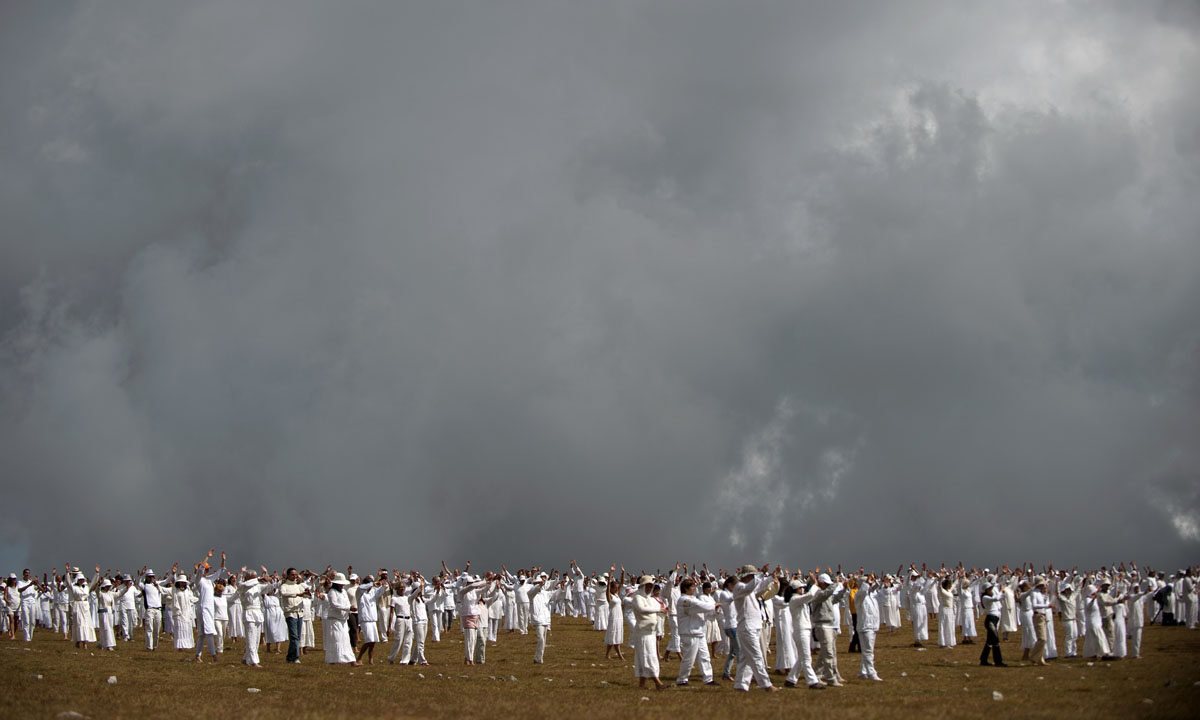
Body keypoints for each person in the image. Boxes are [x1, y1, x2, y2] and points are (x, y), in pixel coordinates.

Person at [731, 564, 779, 692]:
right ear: (747, 576)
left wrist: (771, 577)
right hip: (747, 627)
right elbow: (751, 587)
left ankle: (740, 685)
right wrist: (761, 573)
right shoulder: (739, 587)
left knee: (745, 659)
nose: (754, 578)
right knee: (757, 657)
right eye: (752, 576)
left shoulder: (749, 588)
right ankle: (766, 684)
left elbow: (760, 586)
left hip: (753, 626)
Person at [784, 572, 825, 689]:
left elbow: (811, 596)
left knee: (802, 658)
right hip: (801, 631)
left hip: (804, 630)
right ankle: (812, 682)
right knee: (806, 658)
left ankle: (791, 680)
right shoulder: (794, 599)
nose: (802, 589)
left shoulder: (799, 599)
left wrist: (815, 586)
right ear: (796, 589)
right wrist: (814, 584)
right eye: (801, 588)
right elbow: (810, 595)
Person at [631, 574, 668, 690]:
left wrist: (664, 609)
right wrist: (659, 609)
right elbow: (642, 609)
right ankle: (658, 682)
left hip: (651, 633)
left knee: (647, 657)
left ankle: (642, 684)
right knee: (647, 657)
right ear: (642, 586)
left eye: (650, 587)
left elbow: (660, 605)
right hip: (643, 633)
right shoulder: (637, 598)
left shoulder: (650, 599)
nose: (648, 589)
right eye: (647, 586)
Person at [811, 571, 847, 687]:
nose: (827, 586)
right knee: (828, 653)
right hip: (822, 625)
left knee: (825, 653)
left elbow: (835, 599)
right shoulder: (817, 593)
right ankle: (830, 678)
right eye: (826, 584)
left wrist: (843, 590)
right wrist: (836, 583)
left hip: (829, 625)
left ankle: (816, 674)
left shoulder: (826, 593)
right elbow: (826, 594)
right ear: (821, 583)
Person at [321, 571, 360, 665]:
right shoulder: (332, 592)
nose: (342, 586)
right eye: (340, 584)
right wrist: (348, 608)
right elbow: (334, 604)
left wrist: (350, 608)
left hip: (343, 620)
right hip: (334, 620)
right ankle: (333, 659)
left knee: (345, 639)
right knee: (336, 639)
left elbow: (347, 603)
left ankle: (351, 660)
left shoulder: (344, 592)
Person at [855, 572, 884, 681]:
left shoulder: (871, 595)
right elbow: (863, 591)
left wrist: (878, 581)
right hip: (865, 626)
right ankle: (872, 672)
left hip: (872, 626)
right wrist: (867, 582)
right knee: (868, 651)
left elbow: (878, 591)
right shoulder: (859, 596)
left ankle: (862, 672)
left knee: (867, 650)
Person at [279, 567, 310, 664]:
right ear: (288, 575)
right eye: (292, 574)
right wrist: (297, 594)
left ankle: (290, 656)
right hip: (290, 613)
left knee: (297, 637)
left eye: (295, 574)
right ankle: (296, 657)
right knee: (294, 636)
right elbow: (283, 593)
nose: (294, 576)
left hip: (299, 613)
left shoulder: (299, 586)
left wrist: (307, 593)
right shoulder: (284, 586)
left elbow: (307, 595)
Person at [979, 576, 1007, 666]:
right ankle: (998, 661)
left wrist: (1003, 592)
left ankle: (983, 660)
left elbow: (999, 598)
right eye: (990, 589)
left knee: (990, 641)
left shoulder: (989, 596)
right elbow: (996, 598)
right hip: (990, 620)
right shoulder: (985, 597)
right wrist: (1001, 591)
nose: (991, 590)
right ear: (986, 590)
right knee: (995, 640)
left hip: (994, 619)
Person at [528, 571, 553, 664]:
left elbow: (554, 595)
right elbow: (532, 591)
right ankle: (538, 658)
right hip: (538, 620)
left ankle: (539, 658)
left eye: (540, 583)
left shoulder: (544, 593)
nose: (539, 584)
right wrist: (539, 585)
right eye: (537, 583)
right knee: (541, 639)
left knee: (543, 641)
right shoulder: (531, 594)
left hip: (545, 619)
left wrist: (562, 588)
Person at [604, 566, 625, 659]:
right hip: (613, 617)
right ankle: (618, 656)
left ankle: (608, 655)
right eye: (615, 587)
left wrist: (623, 573)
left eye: (617, 587)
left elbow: (622, 583)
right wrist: (611, 573)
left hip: (619, 617)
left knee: (617, 635)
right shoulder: (610, 596)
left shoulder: (616, 594)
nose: (616, 588)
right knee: (612, 635)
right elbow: (608, 587)